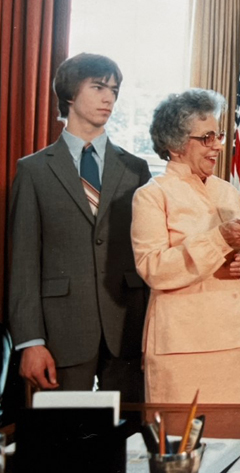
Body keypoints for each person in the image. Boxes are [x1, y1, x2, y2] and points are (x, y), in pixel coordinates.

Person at [8, 53, 150, 401]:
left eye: (114, 90)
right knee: (64, 443)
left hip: (129, 326)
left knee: (132, 441)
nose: (109, 99)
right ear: (70, 94)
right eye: (98, 87)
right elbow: (23, 263)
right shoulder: (34, 171)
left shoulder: (136, 168)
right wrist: (30, 341)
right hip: (62, 332)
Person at [131, 89, 240, 403]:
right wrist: (220, 239)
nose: (218, 146)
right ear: (175, 143)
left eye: (218, 135)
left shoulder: (229, 192)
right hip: (187, 352)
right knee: (189, 446)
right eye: (207, 137)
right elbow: (154, 268)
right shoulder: (152, 195)